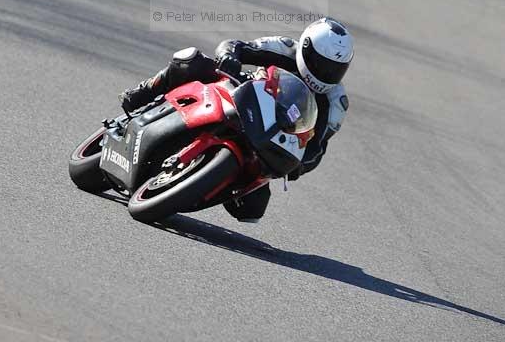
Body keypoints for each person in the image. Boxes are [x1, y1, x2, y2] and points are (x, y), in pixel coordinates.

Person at [119, 17, 354, 223]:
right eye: (321, 64)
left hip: (269, 139)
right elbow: (236, 46)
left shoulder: (335, 103)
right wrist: (229, 57)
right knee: (193, 61)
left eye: (335, 69)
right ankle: (142, 93)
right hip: (243, 96)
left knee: (252, 210)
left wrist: (298, 165)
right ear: (306, 48)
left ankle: (196, 185)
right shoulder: (284, 49)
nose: (325, 73)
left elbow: (317, 148)